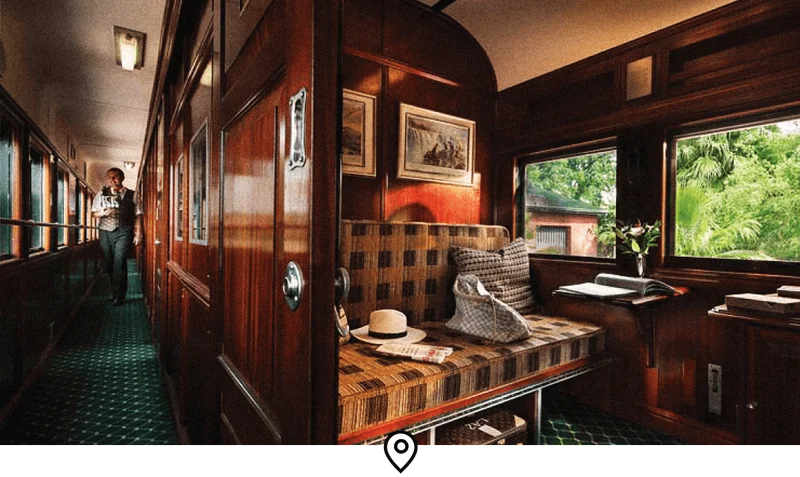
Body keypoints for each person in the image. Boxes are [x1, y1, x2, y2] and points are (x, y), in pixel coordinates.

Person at [91, 167, 143, 306]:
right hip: (105, 231)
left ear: (122, 178)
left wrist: (138, 233)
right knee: (109, 263)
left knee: (119, 262)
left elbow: (138, 215)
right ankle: (115, 292)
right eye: (110, 177)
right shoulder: (101, 194)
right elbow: (94, 213)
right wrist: (103, 213)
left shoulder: (133, 195)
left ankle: (119, 295)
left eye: (115, 177)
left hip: (124, 231)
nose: (112, 180)